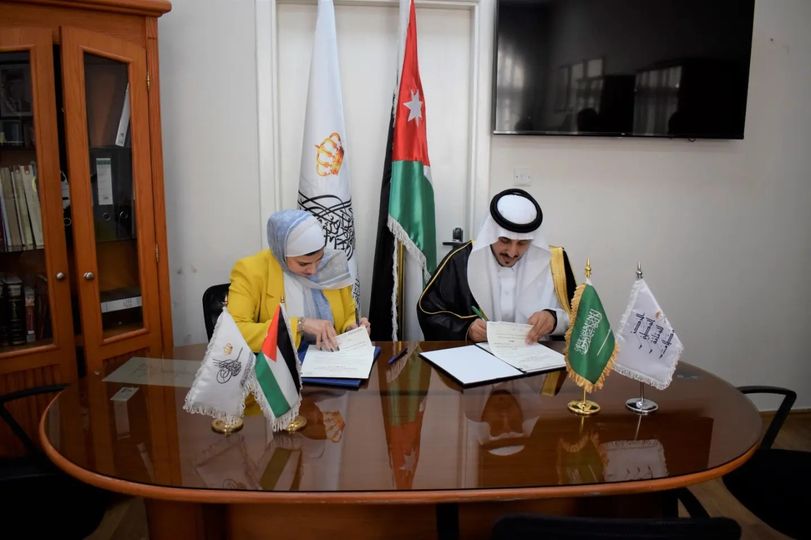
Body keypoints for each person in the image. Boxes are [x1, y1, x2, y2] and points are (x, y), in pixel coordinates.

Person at [417, 188, 575, 343]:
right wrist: (466, 329)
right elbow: (429, 312)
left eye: (522, 243)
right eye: (504, 240)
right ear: (490, 234)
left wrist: (555, 319)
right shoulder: (461, 260)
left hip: (538, 356)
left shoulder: (556, 263)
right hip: (480, 357)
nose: (512, 252)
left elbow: (580, 319)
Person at [228, 209, 369, 352]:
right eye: (303, 264)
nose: (313, 270)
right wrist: (300, 325)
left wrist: (352, 329)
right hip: (282, 361)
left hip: (330, 357)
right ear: (281, 253)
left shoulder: (332, 265)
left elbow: (348, 316)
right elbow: (234, 331)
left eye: (319, 260)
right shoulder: (250, 271)